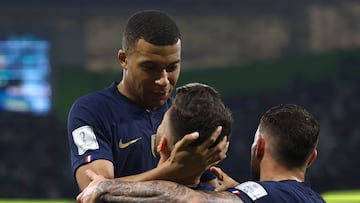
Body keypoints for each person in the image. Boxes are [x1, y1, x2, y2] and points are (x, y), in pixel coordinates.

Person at [67, 10, 228, 192]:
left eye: (172, 67)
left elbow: (212, 184)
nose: (163, 80)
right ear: (124, 59)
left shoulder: (180, 115)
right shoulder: (91, 110)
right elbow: (93, 190)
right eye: (150, 67)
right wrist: (172, 170)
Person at [76, 104, 326, 203]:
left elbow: (187, 199)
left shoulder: (268, 195)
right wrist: (239, 187)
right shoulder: (314, 200)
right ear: (311, 157)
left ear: (259, 146)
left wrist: (107, 187)